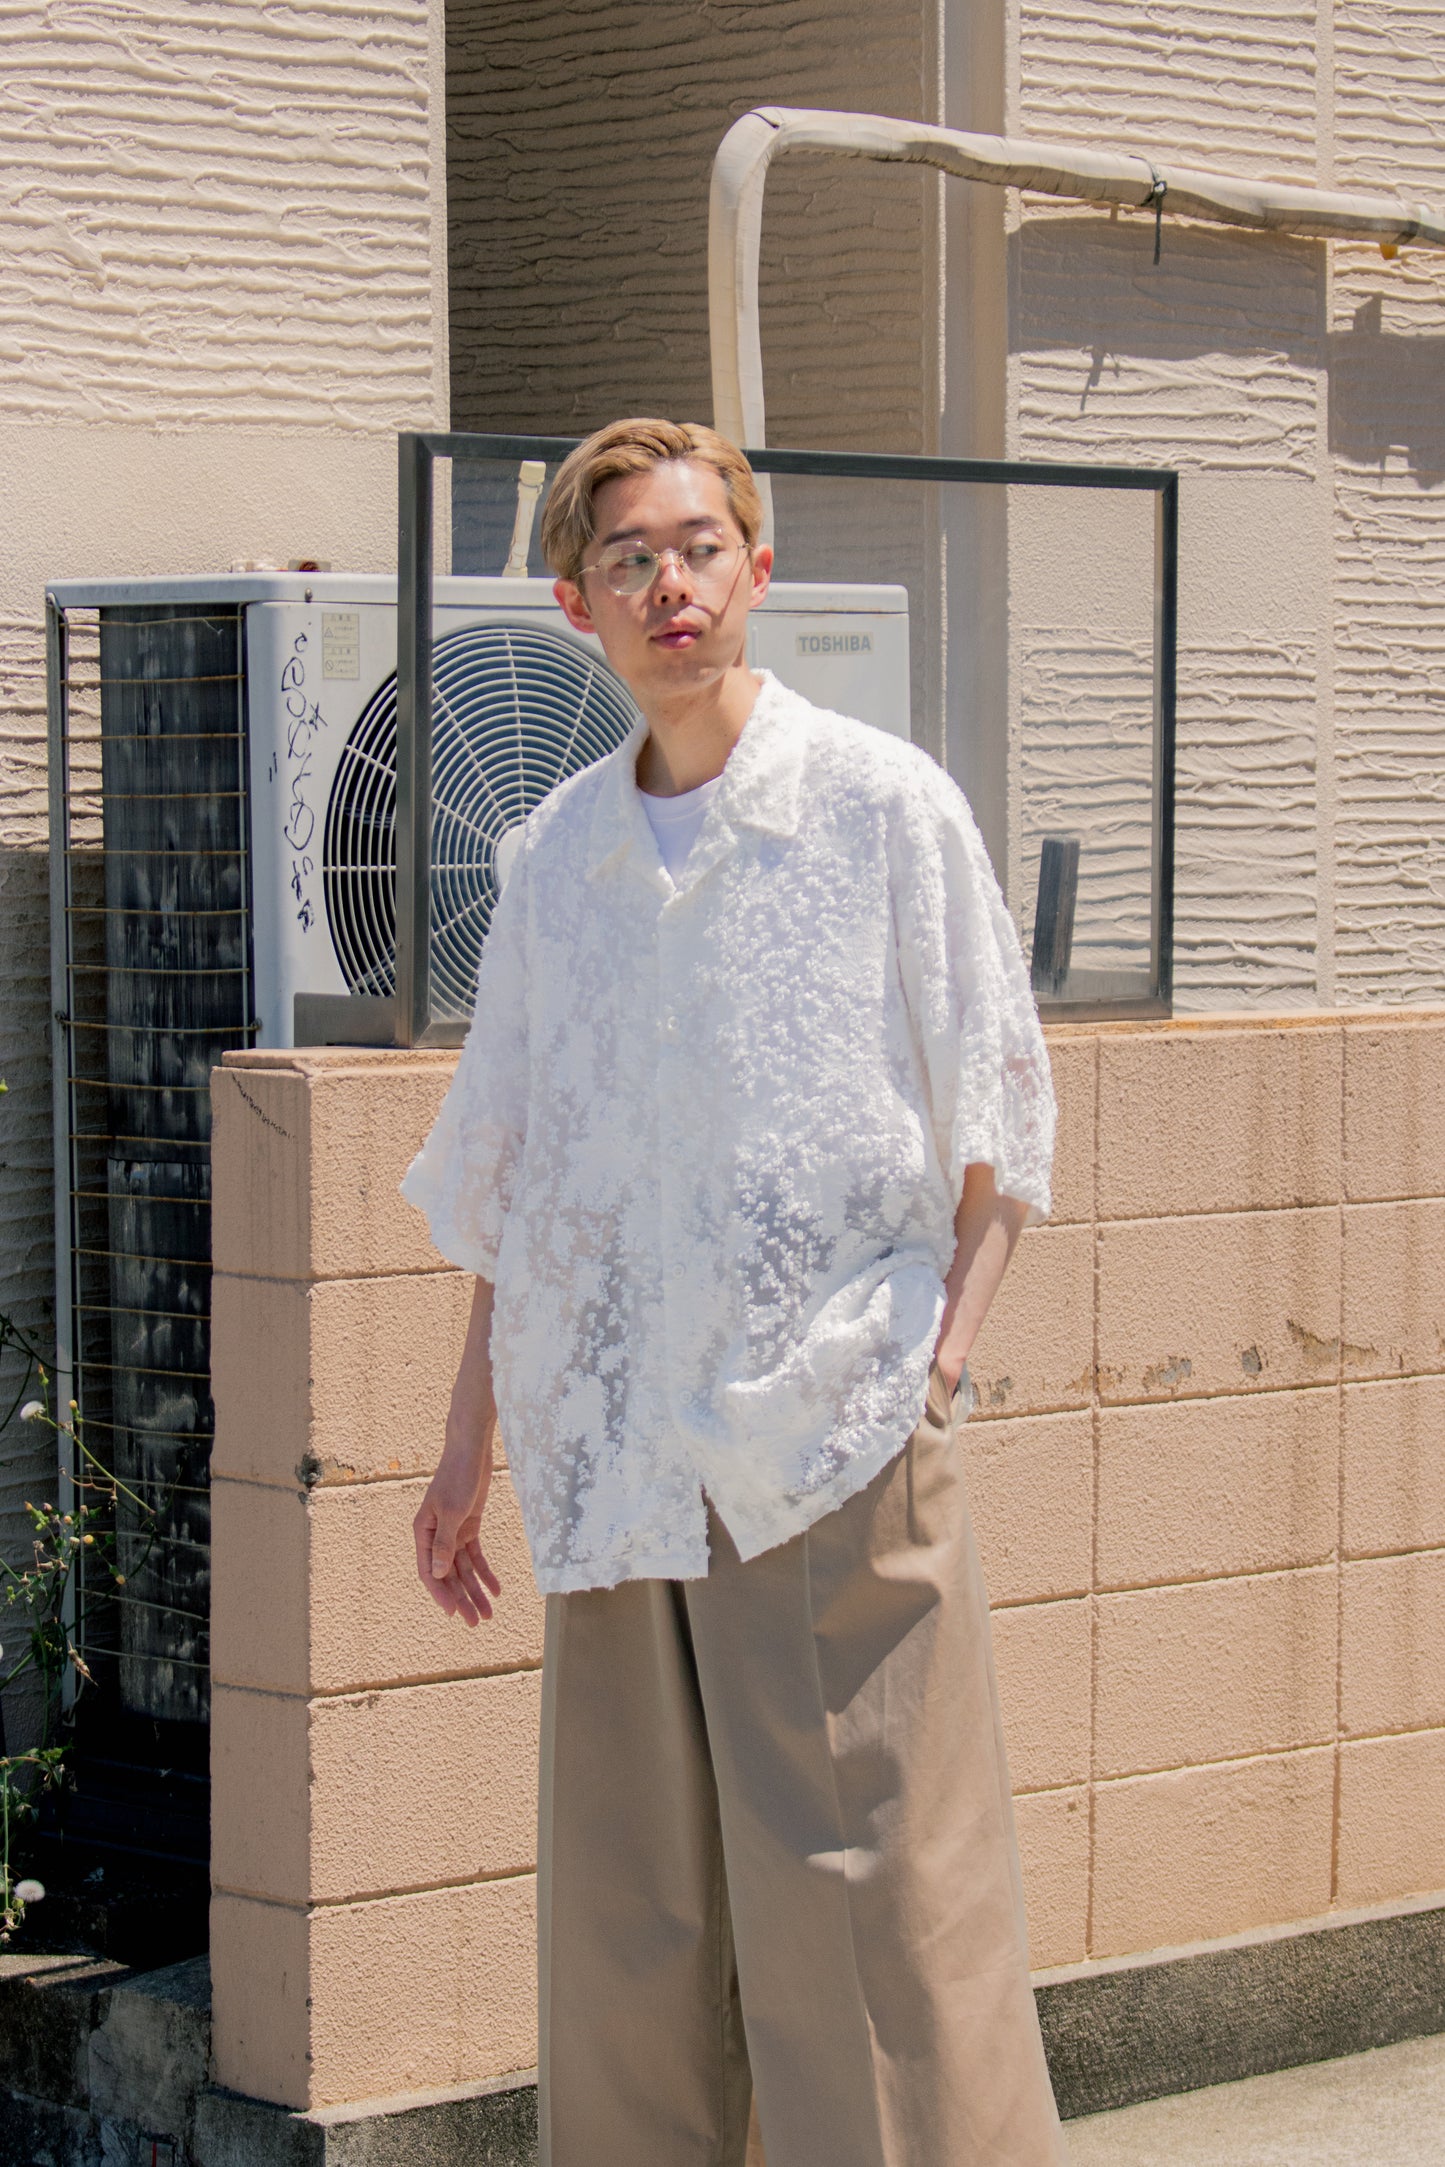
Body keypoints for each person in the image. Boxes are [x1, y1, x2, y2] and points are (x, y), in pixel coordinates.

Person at [401, 417, 1068, 2166]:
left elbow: (1000, 1112)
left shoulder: (878, 805)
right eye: (627, 559)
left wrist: (934, 1375)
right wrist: (467, 1442)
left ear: (757, 569)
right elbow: (518, 1176)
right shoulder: (552, 857)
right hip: (613, 1452)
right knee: (631, 1941)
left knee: (875, 1919)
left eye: (698, 547)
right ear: (576, 606)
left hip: (827, 1437)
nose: (668, 585)